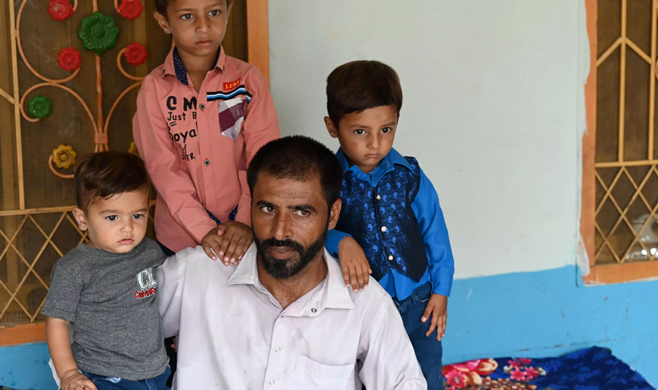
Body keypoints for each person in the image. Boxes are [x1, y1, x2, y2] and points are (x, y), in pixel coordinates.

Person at [157, 136, 427, 389]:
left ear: (332, 216)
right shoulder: (198, 273)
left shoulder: (363, 303)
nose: (279, 232)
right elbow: (118, 323)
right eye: (267, 209)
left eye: (301, 212)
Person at [324, 60, 455, 390]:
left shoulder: (409, 175)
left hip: (420, 301)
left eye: (386, 129)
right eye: (360, 132)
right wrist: (339, 240)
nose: (375, 143)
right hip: (365, 308)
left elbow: (435, 233)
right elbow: (312, 230)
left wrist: (441, 291)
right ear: (332, 127)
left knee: (427, 375)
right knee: (372, 378)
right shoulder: (327, 180)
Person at [133, 0, 279, 264]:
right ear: (164, 22)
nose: (204, 26)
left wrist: (246, 221)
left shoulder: (247, 81)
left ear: (228, 11)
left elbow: (265, 158)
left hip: (247, 233)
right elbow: (163, 169)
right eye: (187, 16)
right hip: (180, 240)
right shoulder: (154, 90)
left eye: (214, 12)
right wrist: (203, 229)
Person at [41, 152, 169, 390]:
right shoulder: (74, 268)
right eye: (112, 217)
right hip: (103, 377)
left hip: (157, 372)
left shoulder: (150, 252)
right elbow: (57, 321)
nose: (127, 227)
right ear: (82, 219)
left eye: (138, 215)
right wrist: (69, 373)